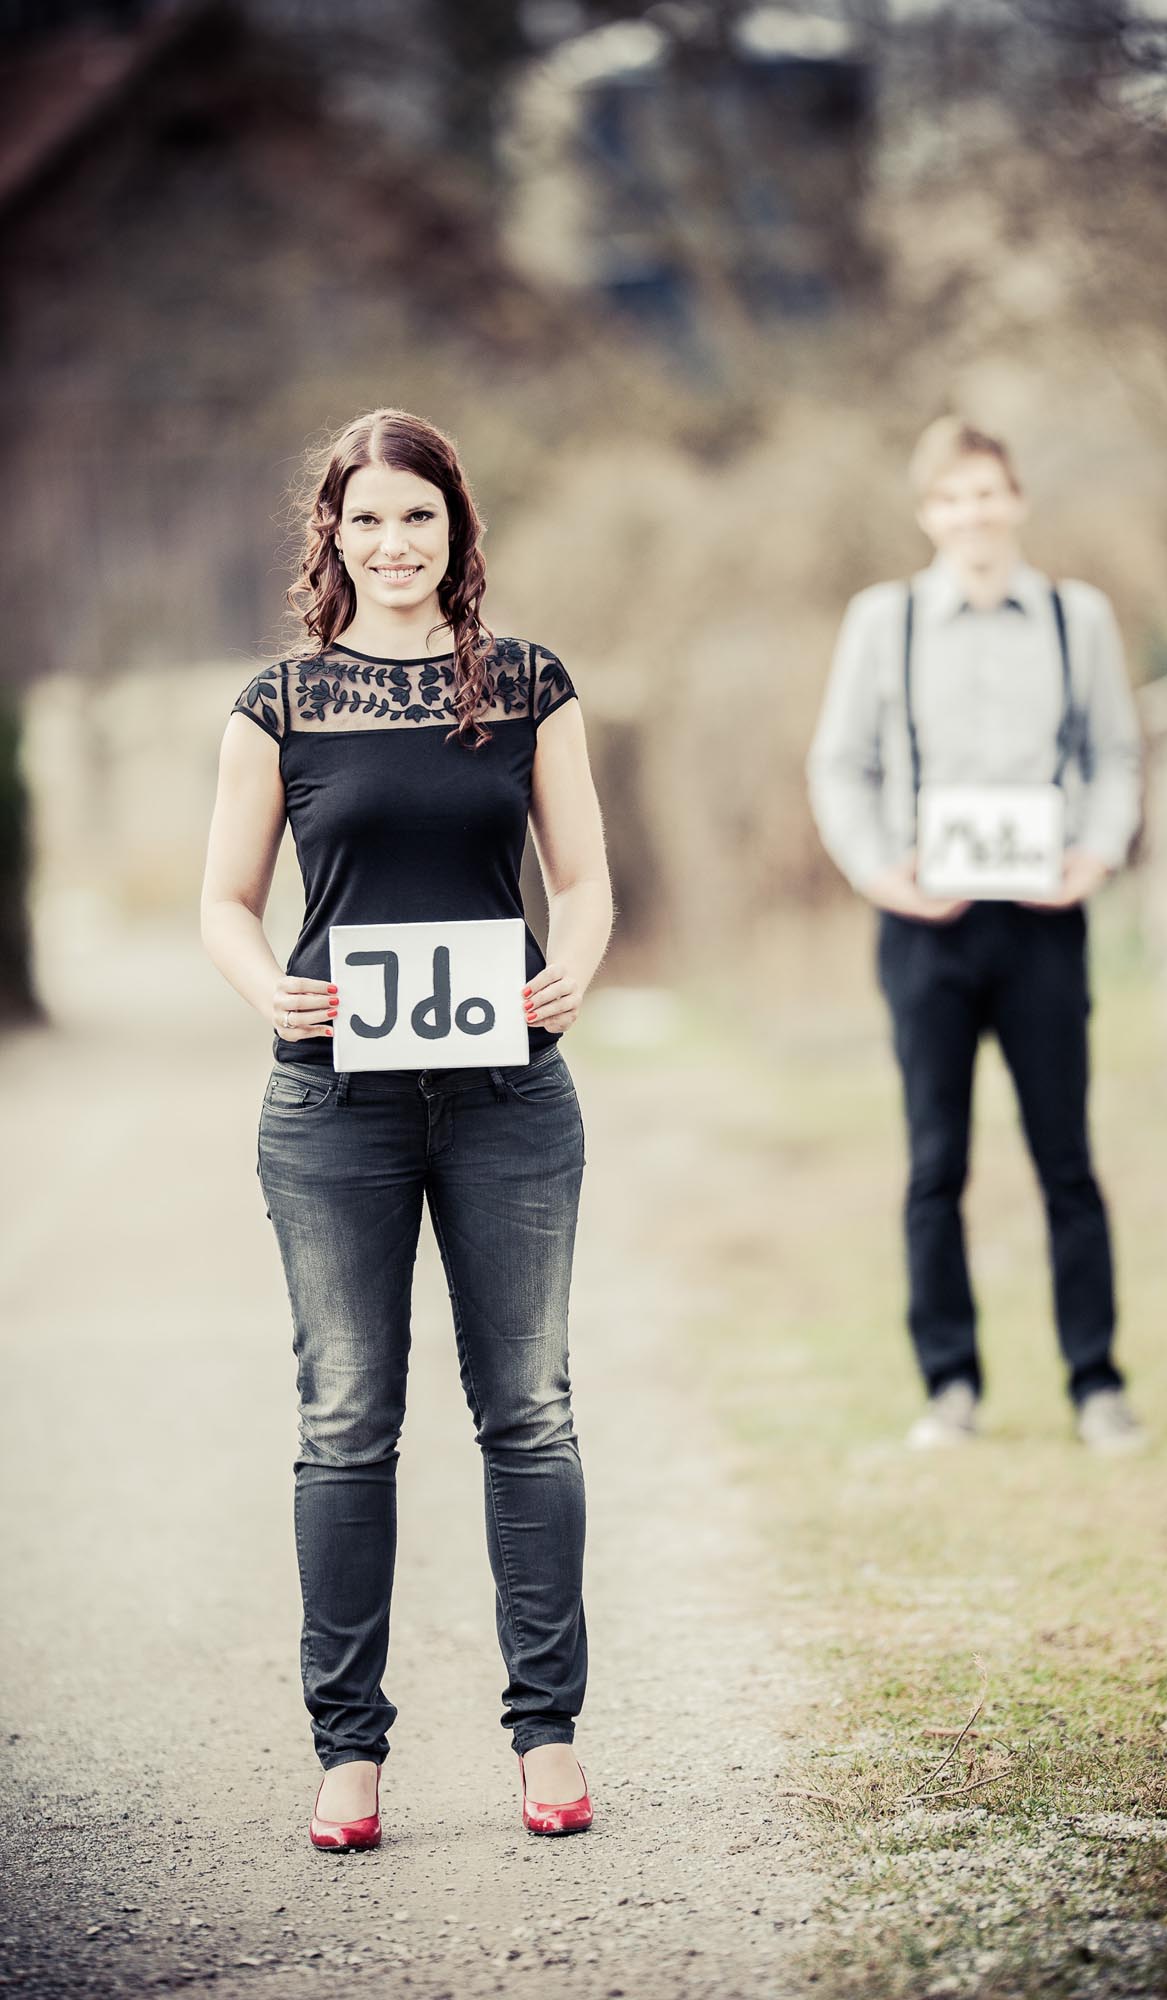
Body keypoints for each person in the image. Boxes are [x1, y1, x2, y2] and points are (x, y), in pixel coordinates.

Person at [200, 407, 614, 1847]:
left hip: (509, 1099)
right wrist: (276, 992)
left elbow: (589, 881)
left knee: (530, 1413)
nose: (393, 545)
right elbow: (221, 903)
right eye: (366, 520)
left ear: (457, 532)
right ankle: (349, 1752)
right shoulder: (278, 702)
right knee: (344, 1423)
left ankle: (546, 1734)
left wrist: (577, 967)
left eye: (418, 519)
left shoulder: (531, 685)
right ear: (334, 534)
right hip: (332, 1111)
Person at [806, 415, 1146, 1454]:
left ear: (1017, 500)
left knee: (1066, 1161)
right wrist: (879, 872)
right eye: (951, 497)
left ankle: (1095, 1383)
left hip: (1044, 924)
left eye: (988, 492)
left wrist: (1094, 852)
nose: (973, 513)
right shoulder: (885, 619)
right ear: (928, 513)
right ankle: (949, 1384)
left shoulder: (1073, 616)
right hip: (927, 932)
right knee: (933, 1163)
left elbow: (1114, 754)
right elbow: (839, 763)